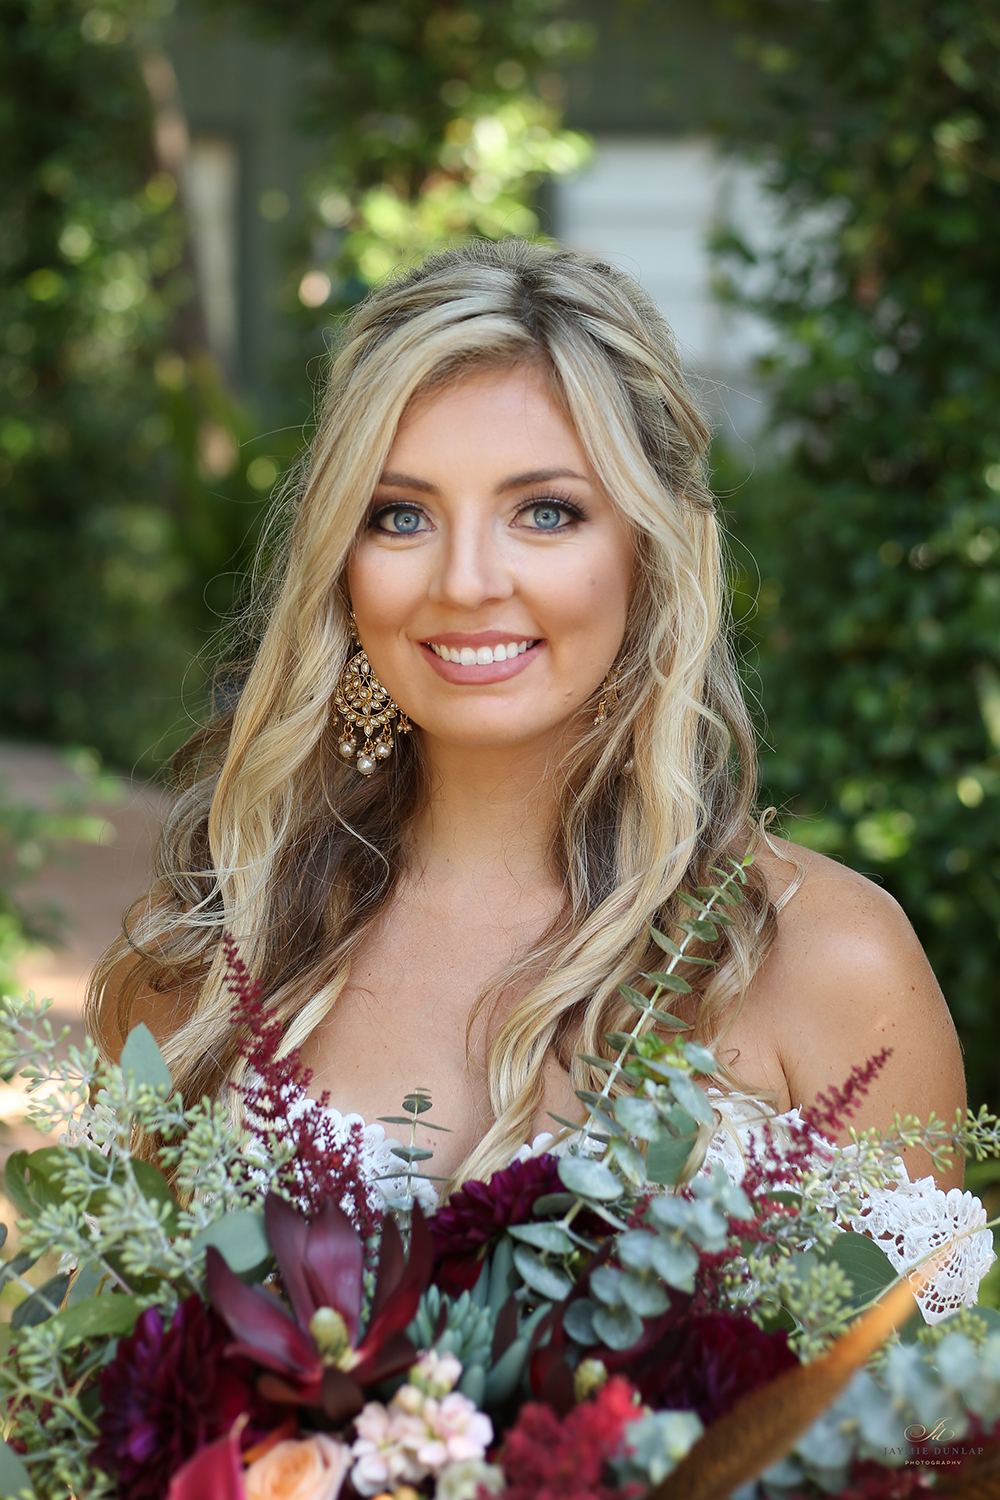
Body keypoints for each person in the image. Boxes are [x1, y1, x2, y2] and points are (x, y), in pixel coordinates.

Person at [89, 240, 986, 1315]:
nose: (466, 582)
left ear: (649, 552)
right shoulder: (199, 971)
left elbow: (929, 1452)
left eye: (545, 511)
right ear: (341, 559)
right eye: (400, 514)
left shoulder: (831, 964)